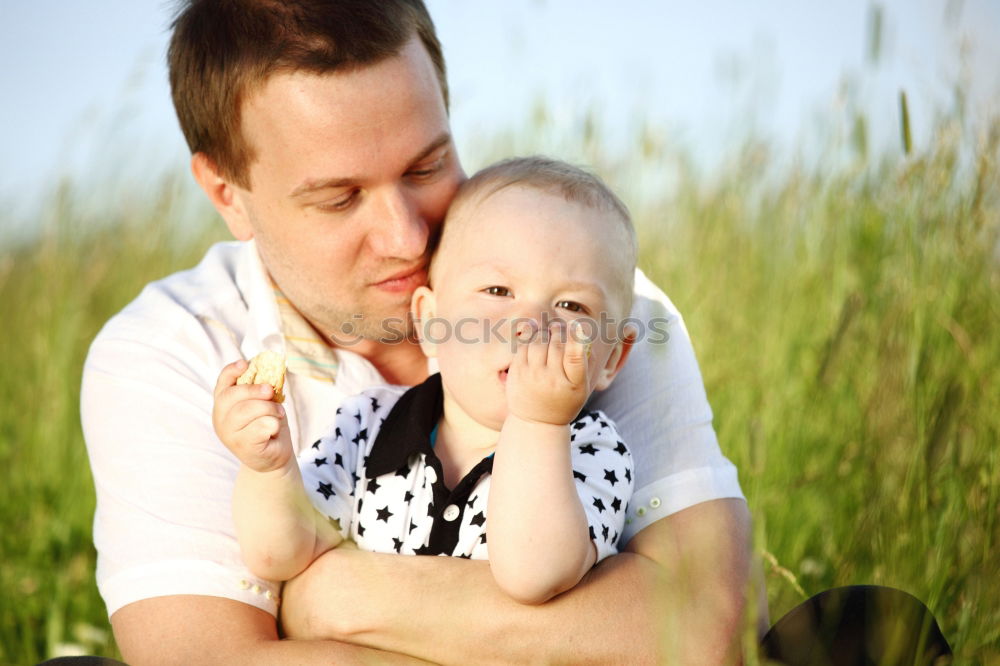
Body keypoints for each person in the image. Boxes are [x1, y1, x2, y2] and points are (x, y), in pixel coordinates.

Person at [81, 1, 752, 663]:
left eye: (425, 167)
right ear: (228, 192)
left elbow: (714, 624)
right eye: (339, 198)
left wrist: (334, 602)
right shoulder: (171, 352)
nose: (407, 237)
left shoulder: (587, 308)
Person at [214, 157, 638, 605]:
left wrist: (538, 422)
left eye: (572, 307)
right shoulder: (369, 425)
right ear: (432, 321)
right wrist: (268, 469)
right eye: (498, 292)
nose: (531, 324)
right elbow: (281, 555)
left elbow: (535, 575)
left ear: (612, 356)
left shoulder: (592, 450)